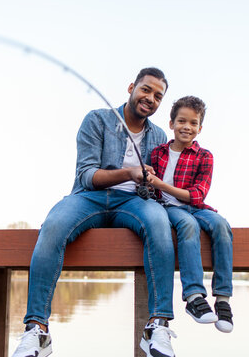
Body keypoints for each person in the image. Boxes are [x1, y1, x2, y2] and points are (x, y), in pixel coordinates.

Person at [11, 67, 178, 357]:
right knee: (53, 224)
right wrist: (129, 172)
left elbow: (157, 187)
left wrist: (150, 183)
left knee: (159, 221)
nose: (150, 98)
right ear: (131, 87)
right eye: (146, 89)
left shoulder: (160, 135)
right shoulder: (97, 119)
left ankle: (158, 325)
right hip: (90, 198)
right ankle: (37, 330)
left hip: (133, 204)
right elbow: (87, 175)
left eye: (158, 96)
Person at [149, 96, 234, 333]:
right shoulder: (157, 153)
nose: (187, 127)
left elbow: (198, 195)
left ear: (200, 128)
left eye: (193, 123)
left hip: (196, 207)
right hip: (170, 210)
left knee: (222, 226)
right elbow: (148, 188)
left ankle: (223, 299)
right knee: (188, 225)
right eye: (182, 121)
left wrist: (161, 185)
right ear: (171, 123)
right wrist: (147, 180)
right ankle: (194, 297)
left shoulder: (205, 156)